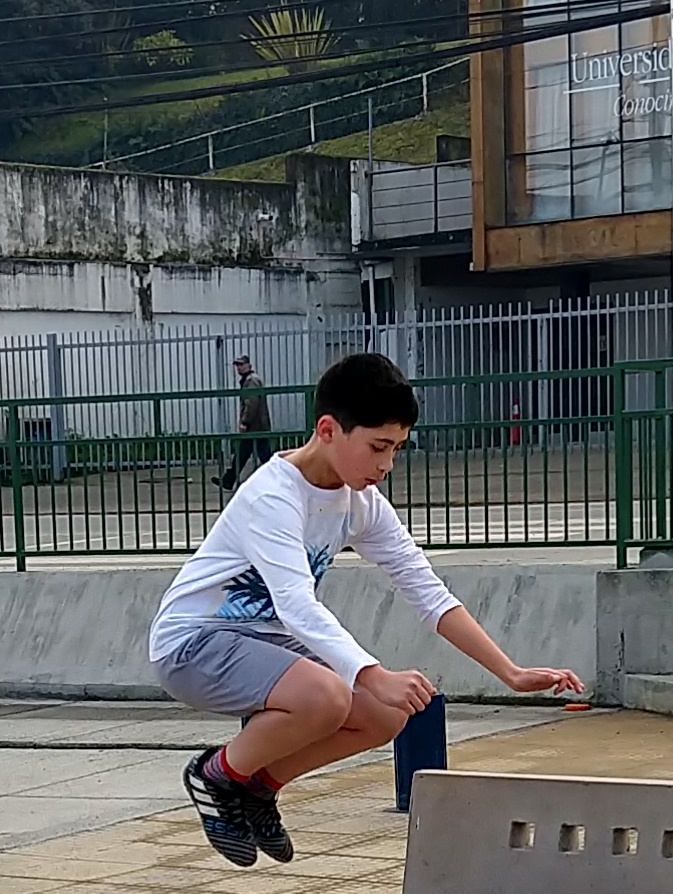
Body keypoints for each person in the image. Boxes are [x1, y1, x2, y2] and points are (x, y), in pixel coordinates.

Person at [149, 348, 582, 867]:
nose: (386, 465)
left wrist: (510, 672)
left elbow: (426, 590)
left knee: (385, 715)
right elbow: (296, 605)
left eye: (397, 449)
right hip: (192, 643)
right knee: (329, 696)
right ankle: (216, 775)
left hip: (263, 640)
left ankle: (259, 787)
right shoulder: (273, 496)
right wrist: (373, 673)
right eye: (378, 447)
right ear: (328, 430)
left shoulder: (361, 502)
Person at [217, 353, 275, 498]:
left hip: (255, 427)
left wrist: (245, 422)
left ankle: (277, 478)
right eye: (237, 365)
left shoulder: (251, 381)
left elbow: (251, 403)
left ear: (249, 365)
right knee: (244, 454)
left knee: (261, 456)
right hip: (257, 426)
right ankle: (229, 479)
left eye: (241, 365)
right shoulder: (249, 380)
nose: (239, 368)